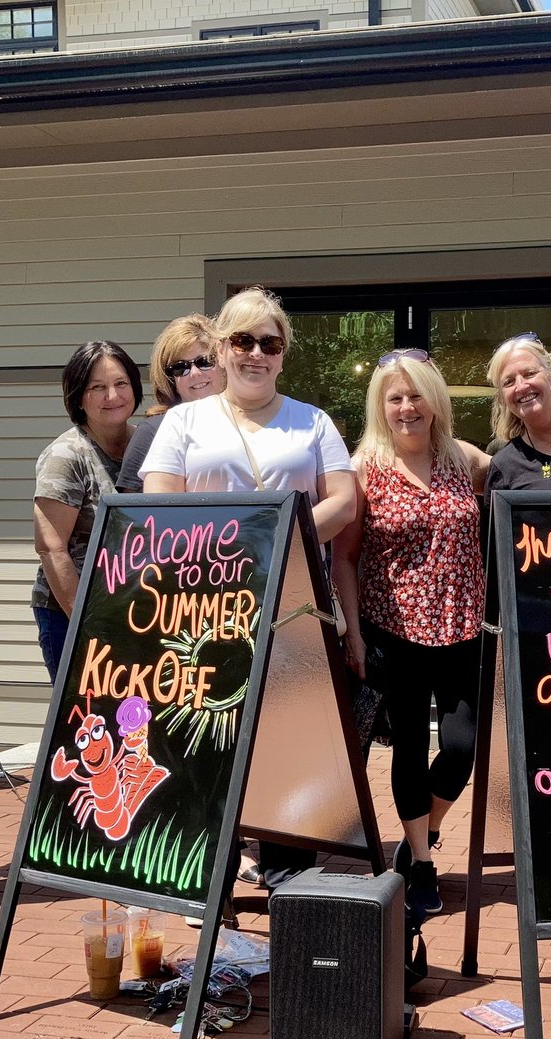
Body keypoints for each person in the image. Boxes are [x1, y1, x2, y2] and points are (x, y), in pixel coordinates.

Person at [142, 285, 356, 891]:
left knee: (287, 730)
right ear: (220, 348)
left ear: (284, 354)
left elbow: (341, 501)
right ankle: (206, 871)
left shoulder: (311, 421)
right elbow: (160, 500)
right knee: (206, 731)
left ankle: (286, 863)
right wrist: (233, 547)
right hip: (205, 603)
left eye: (269, 342)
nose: (255, 353)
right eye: (242, 340)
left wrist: (277, 539)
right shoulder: (185, 421)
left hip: (293, 604)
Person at [331, 349, 490, 920]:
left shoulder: (466, 460)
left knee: (461, 748)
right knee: (408, 751)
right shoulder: (363, 468)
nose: (407, 406)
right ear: (381, 405)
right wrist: (351, 634)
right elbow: (343, 559)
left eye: (416, 394)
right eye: (394, 397)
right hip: (392, 631)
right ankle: (420, 862)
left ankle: (425, 828)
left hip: (461, 629)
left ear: (435, 400)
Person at [32, 341, 140, 678]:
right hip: (71, 614)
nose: (113, 396)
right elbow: (51, 547)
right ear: (79, 397)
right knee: (84, 723)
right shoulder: (67, 455)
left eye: (121, 384)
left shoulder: (149, 444)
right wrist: (86, 622)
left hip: (133, 614)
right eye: (98, 387)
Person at [115, 314, 224, 493]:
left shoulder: (248, 422)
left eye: (204, 361)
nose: (195, 373)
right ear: (171, 379)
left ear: (223, 362)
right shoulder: (152, 432)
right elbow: (131, 515)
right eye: (181, 368)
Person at [484, 333, 551, 497]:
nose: (521, 386)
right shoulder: (504, 466)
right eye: (509, 382)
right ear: (502, 397)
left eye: (529, 373)